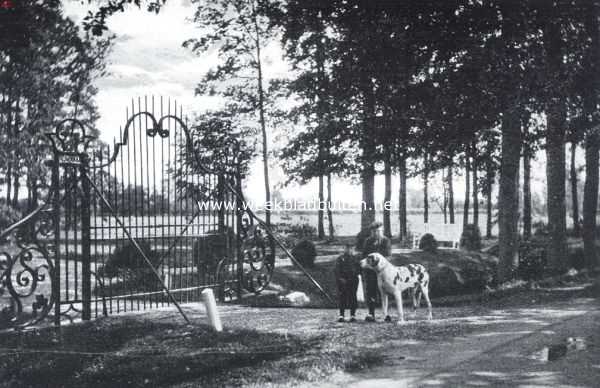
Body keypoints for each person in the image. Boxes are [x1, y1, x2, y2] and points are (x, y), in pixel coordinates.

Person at [361, 221, 391, 322]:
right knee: (371, 292)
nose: (376, 233)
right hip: (370, 271)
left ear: (382, 230)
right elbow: (364, 256)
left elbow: (387, 256)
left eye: (378, 231)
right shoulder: (367, 241)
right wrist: (370, 267)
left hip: (383, 272)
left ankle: (386, 314)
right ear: (371, 232)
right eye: (374, 231)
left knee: (384, 292)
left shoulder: (385, 241)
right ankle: (371, 313)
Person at [334, 243, 360, 322]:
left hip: (353, 280)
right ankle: (341, 315)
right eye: (347, 248)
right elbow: (336, 270)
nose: (349, 250)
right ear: (344, 249)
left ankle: (353, 315)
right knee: (342, 297)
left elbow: (358, 269)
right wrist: (340, 278)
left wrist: (355, 276)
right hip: (342, 280)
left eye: (351, 248)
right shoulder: (340, 258)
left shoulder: (355, 259)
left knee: (353, 297)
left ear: (353, 249)